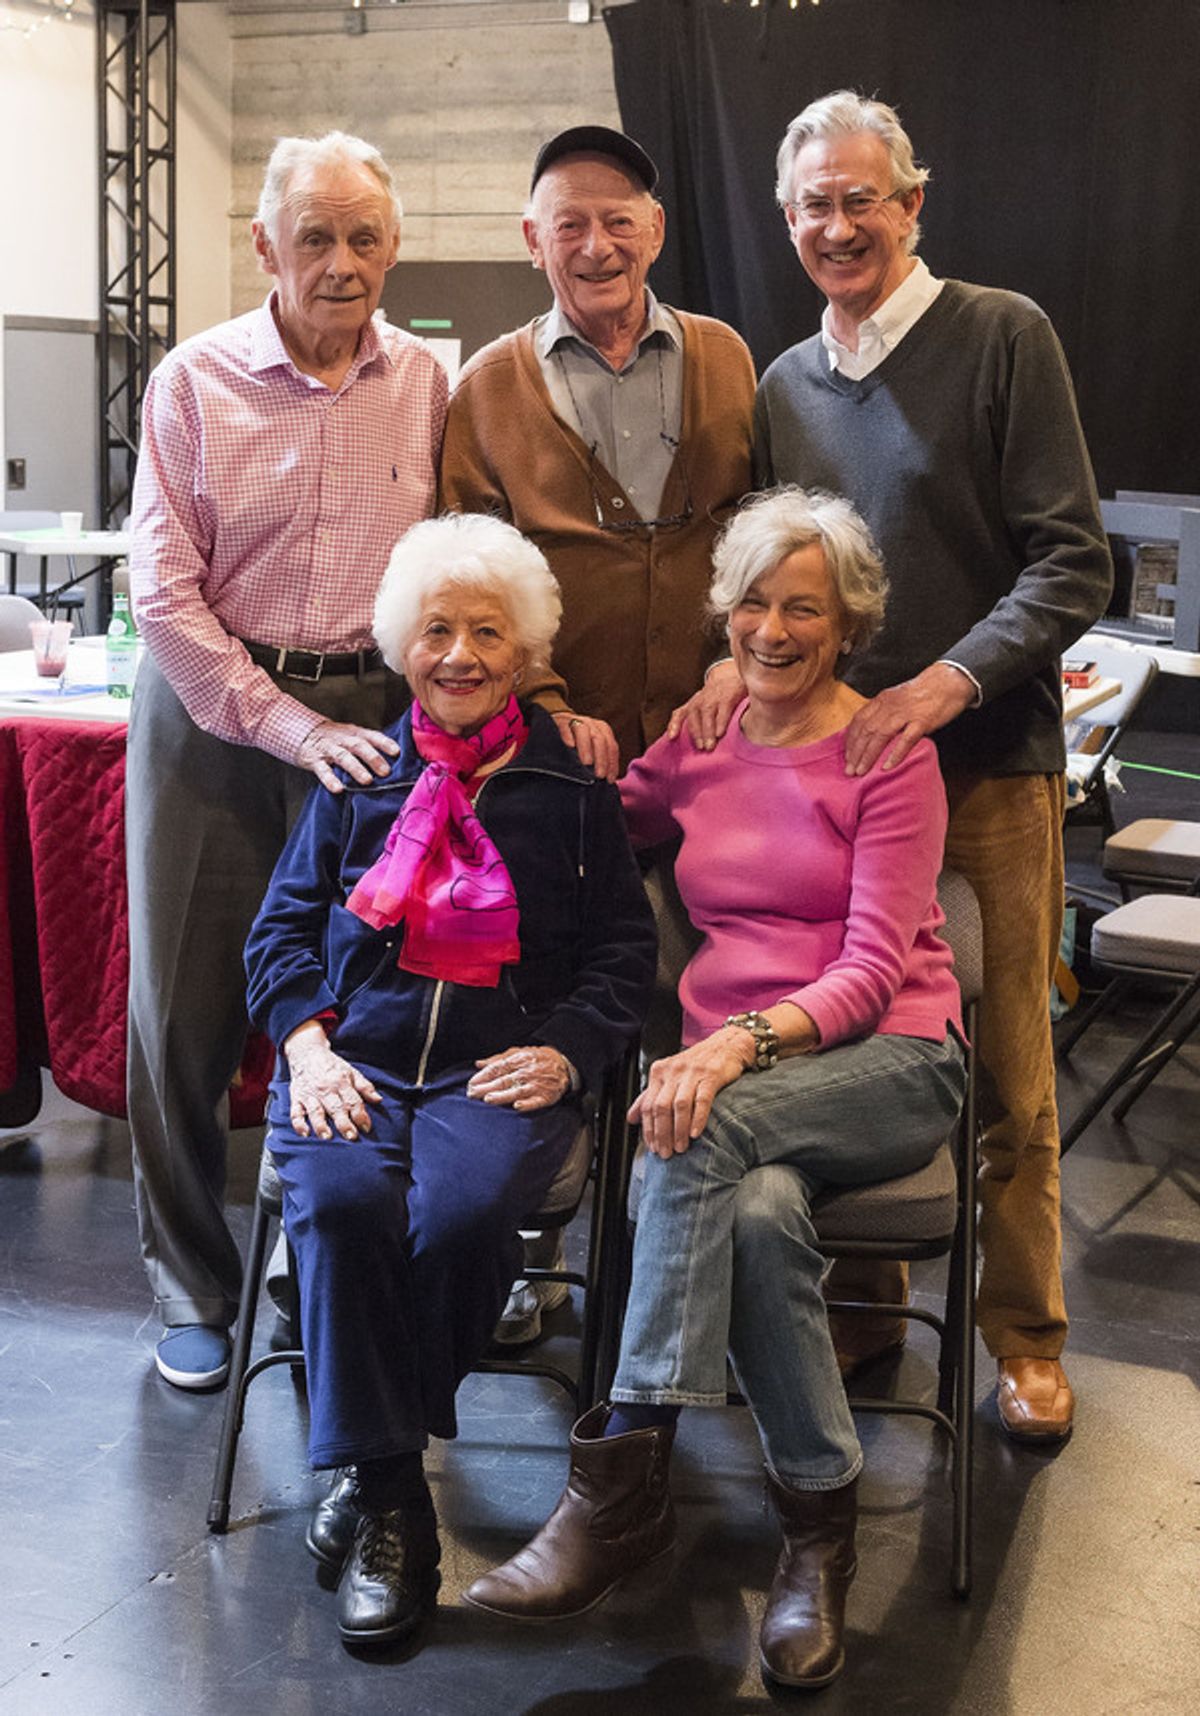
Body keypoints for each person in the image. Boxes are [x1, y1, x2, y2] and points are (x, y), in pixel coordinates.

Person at [464, 488, 966, 1690]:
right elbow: (600, 824)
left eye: (805, 607)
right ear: (723, 615)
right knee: (751, 1208)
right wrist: (539, 746)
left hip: (887, 1060)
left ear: (849, 626)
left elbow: (870, 969)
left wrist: (738, 1043)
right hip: (734, 1089)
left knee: (692, 1120)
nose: (774, 629)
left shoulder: (890, 753)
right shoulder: (700, 738)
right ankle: (816, 1541)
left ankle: (627, 1462)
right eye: (751, 602)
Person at [693, 90, 1112, 1442]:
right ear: (788, 220)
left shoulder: (1003, 336)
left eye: (861, 198)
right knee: (848, 1038)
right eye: (812, 204)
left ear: (913, 204)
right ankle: (865, 1302)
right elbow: (771, 576)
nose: (837, 225)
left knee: (1004, 1068)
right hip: (831, 791)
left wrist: (951, 680)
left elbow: (1073, 558)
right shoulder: (782, 385)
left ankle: (1028, 1337)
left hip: (986, 770)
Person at [243, 512, 656, 1648]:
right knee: (340, 1201)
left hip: (496, 1068)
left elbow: (625, 957)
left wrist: (570, 1048)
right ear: (400, 645)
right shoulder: (357, 772)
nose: (461, 654)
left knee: (466, 1215)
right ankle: (396, 1504)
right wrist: (307, 1044)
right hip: (352, 1061)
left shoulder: (572, 797)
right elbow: (276, 936)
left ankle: (365, 1472)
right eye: (437, 630)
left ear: (523, 652)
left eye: (487, 631)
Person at [126, 131, 448, 1392]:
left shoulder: (426, 384)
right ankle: (191, 1285)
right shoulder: (194, 379)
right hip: (213, 719)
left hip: (372, 722)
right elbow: (160, 591)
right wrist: (284, 724)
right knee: (186, 1017)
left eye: (365, 237)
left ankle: (310, 1260)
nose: (342, 262)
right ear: (266, 246)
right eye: (315, 236)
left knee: (360, 1004)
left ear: (393, 249)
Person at [440, 123, 755, 1341]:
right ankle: (532, 1245)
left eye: (618, 218)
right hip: (557, 760)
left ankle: (683, 1269)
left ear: (657, 230)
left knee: (699, 985)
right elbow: (471, 570)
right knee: (543, 986)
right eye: (568, 222)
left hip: (717, 750)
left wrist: (735, 663)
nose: (597, 242)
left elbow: (772, 533)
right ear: (532, 242)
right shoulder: (485, 390)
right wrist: (551, 701)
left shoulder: (729, 358)